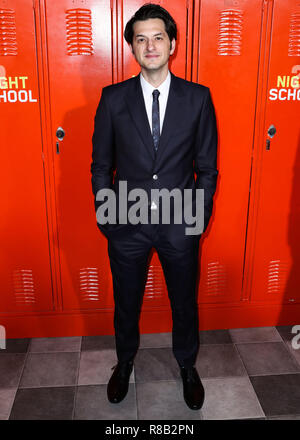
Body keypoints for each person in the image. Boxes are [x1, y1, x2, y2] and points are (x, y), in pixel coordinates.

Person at [91, 3, 218, 410]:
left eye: (158, 37)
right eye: (141, 38)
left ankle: (187, 365)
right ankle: (124, 362)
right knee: (126, 300)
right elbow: (101, 166)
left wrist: (194, 220)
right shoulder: (112, 100)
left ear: (172, 44)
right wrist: (108, 217)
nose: (150, 45)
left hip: (179, 222)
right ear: (132, 47)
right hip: (126, 222)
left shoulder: (198, 98)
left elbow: (208, 167)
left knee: (184, 301)